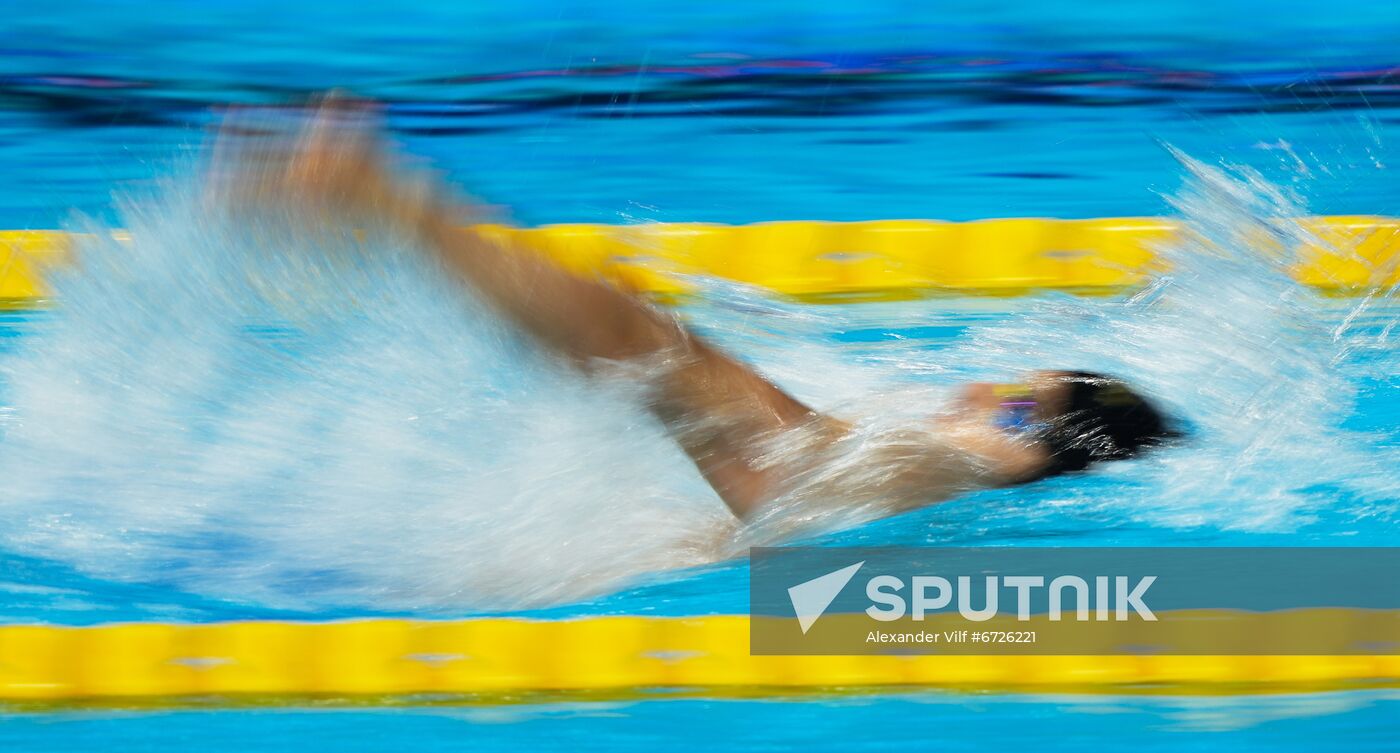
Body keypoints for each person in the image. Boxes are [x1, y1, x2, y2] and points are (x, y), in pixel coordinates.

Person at [216, 98, 1178, 522]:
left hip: (802, 472)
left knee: (633, 336)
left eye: (1019, 405)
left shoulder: (1000, 463)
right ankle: (383, 202)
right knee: (624, 342)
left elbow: (1002, 461)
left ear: (1049, 452)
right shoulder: (996, 454)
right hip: (803, 489)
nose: (983, 389)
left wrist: (953, 442)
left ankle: (382, 194)